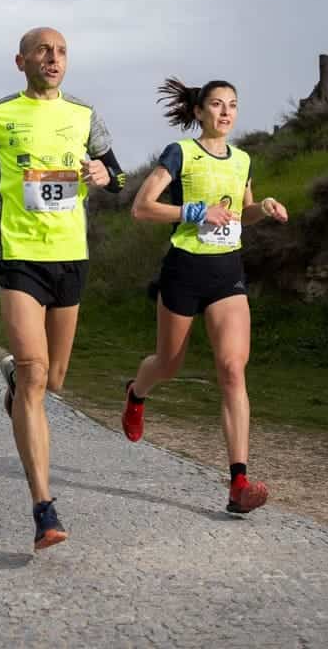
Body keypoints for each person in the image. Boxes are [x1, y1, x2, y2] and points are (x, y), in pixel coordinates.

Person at [0, 26, 127, 550]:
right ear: (21, 61)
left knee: (53, 380)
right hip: (20, 256)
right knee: (36, 374)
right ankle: (43, 508)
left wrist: (105, 176)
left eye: (61, 52)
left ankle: (14, 377)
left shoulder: (84, 115)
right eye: (43, 51)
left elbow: (119, 176)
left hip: (70, 256)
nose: (53, 59)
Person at [119, 78, 289, 514]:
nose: (226, 112)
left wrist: (263, 208)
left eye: (232, 104)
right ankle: (137, 393)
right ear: (199, 111)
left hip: (227, 273)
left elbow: (242, 214)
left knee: (232, 369)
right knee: (168, 364)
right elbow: (142, 207)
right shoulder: (181, 153)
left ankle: (239, 484)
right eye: (216, 104)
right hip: (184, 270)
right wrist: (196, 211)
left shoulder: (243, 159)